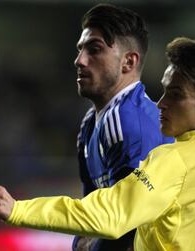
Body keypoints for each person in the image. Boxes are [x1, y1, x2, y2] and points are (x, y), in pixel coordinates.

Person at [0, 37, 195, 250]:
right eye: (163, 91)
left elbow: (110, 214)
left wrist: (18, 210)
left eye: (176, 95)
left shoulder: (174, 160)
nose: (161, 103)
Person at [73, 4, 173, 250]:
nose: (79, 60)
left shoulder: (130, 123)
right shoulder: (90, 124)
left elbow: (130, 227)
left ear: (128, 61)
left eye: (94, 50)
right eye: (80, 49)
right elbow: (91, 206)